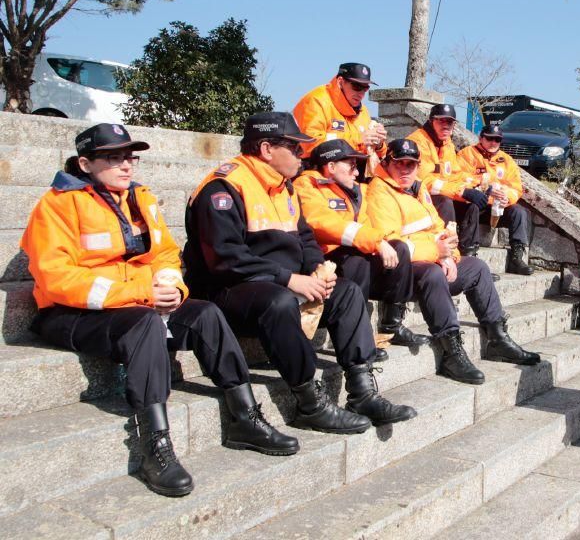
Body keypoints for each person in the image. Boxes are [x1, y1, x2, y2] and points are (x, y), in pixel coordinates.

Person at [20, 123, 298, 498]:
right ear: (85, 164)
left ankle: (244, 417)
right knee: (145, 325)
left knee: (204, 314)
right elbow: (57, 278)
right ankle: (155, 443)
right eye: (113, 158)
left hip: (137, 301)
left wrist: (173, 286)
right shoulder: (57, 205)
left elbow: (166, 253)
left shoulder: (140, 197)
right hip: (72, 312)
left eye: (129, 157)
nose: (126, 166)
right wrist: (140, 292)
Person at [183, 112, 416, 436]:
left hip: (282, 283)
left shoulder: (284, 186)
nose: (302, 154)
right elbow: (225, 258)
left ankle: (362, 391)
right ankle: (310, 402)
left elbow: (305, 238)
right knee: (277, 301)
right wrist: (289, 279)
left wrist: (317, 269)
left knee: (346, 292)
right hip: (230, 289)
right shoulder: (223, 187)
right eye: (293, 148)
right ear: (266, 149)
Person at [366, 139, 541, 385]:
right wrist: (437, 253)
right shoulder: (379, 190)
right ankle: (451, 351)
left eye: (412, 164)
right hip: (397, 273)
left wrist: (449, 254)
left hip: (430, 260)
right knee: (432, 274)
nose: (405, 169)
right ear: (387, 163)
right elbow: (392, 244)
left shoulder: (416, 187)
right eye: (399, 164)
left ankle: (498, 337)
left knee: (477, 268)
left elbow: (438, 227)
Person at [296, 139, 430, 353]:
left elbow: (369, 224)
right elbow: (322, 223)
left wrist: (380, 242)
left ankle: (392, 325)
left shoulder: (357, 190)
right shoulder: (308, 185)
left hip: (356, 252)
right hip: (325, 258)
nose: (356, 172)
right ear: (331, 167)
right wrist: (375, 242)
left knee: (399, 248)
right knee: (357, 260)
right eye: (351, 166)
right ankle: (358, 337)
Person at [456, 124, 533, 275]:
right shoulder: (467, 154)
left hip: (497, 208)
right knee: (472, 206)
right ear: (481, 138)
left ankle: (517, 258)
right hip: (475, 205)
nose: (493, 143)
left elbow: (516, 187)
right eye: (490, 138)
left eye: (497, 140)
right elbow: (459, 178)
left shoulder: (507, 160)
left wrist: (507, 198)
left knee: (519, 212)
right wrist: (486, 186)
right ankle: (470, 256)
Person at [404, 103, 481, 228]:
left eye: (449, 122)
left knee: (471, 203)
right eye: (441, 121)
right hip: (417, 194)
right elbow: (423, 181)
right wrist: (460, 192)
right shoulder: (418, 141)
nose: (445, 126)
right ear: (431, 121)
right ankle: (447, 242)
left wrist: (475, 184)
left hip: (441, 192)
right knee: (445, 201)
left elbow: (454, 175)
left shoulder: (447, 144)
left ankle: (468, 246)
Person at [292, 62, 388, 160]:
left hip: (351, 170)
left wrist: (379, 144)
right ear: (340, 82)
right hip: (317, 169)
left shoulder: (363, 111)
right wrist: (359, 139)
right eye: (357, 87)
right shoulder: (316, 101)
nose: (361, 94)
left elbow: (379, 156)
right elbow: (310, 143)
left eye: (365, 88)